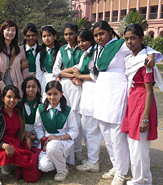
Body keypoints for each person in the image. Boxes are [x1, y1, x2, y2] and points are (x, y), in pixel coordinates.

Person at [92, 21, 158, 185]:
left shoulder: (121, 45)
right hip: (102, 92)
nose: (99, 38)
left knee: (117, 134)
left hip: (118, 92)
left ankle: (121, 172)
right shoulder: (97, 50)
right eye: (96, 35)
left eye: (102, 34)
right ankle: (116, 165)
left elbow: (142, 49)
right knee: (106, 133)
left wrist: (151, 55)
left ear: (110, 32)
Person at [121, 24, 163, 185]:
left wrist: (145, 117)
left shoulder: (145, 62)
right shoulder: (132, 57)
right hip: (132, 101)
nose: (129, 42)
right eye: (127, 39)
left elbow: (149, 91)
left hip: (142, 103)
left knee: (139, 144)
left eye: (133, 38)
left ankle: (139, 180)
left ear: (141, 38)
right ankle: (146, 178)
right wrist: (151, 53)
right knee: (137, 144)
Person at [0, 85, 39, 185]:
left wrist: (27, 137)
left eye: (15, 97)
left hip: (16, 142)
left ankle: (8, 164)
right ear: (3, 98)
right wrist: (4, 146)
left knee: (29, 158)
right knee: (4, 153)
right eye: (9, 97)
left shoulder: (19, 111)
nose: (12, 100)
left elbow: (19, 130)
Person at [71, 29, 103, 172]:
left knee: (91, 130)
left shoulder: (96, 53)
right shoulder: (86, 54)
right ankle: (91, 159)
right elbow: (77, 69)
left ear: (91, 40)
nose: (81, 44)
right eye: (78, 41)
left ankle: (93, 162)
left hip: (93, 94)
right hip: (86, 92)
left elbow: (96, 75)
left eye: (83, 40)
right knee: (86, 129)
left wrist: (80, 76)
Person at [34, 80, 78, 182]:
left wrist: (58, 138)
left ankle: (62, 170)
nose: (52, 97)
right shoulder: (41, 109)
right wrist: (43, 140)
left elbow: (74, 131)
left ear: (61, 94)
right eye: (49, 94)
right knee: (44, 167)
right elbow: (38, 127)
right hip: (47, 142)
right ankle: (60, 160)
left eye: (55, 94)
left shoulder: (67, 110)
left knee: (53, 146)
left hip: (64, 142)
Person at [53, 23, 84, 162]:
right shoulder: (62, 50)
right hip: (65, 86)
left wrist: (63, 72)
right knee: (66, 117)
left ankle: (78, 150)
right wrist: (71, 72)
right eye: (66, 34)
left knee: (77, 119)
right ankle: (66, 149)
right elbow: (55, 70)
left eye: (71, 34)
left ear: (76, 33)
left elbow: (81, 67)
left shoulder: (82, 48)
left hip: (79, 86)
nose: (68, 37)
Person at [0, 20, 30, 97]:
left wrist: (25, 83)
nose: (10, 32)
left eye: (13, 30)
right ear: (2, 31)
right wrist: (1, 83)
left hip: (18, 85)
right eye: (8, 30)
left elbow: (25, 68)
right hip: (3, 87)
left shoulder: (20, 49)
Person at [36, 25, 61, 100]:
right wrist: (38, 86)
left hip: (58, 80)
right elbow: (39, 73)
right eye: (44, 36)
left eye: (49, 35)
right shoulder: (40, 54)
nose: (47, 38)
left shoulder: (61, 51)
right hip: (45, 81)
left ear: (55, 36)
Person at [19, 76, 42, 149]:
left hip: (38, 133)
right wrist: (24, 133)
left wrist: (36, 135)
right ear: (24, 89)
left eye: (34, 87)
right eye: (28, 87)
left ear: (38, 88)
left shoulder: (42, 105)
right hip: (21, 133)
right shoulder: (19, 104)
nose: (31, 89)